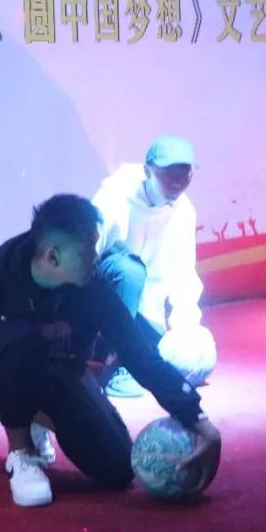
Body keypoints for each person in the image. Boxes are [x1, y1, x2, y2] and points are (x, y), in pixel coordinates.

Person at [0, 194, 221, 507]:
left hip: (62, 368)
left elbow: (138, 352)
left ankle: (37, 414)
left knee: (117, 469)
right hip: (0, 364)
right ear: (53, 257)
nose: (95, 257)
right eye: (87, 250)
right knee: (25, 338)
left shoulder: (93, 285)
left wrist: (197, 417)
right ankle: (22, 453)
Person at [90, 135, 215, 398]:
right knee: (130, 271)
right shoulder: (114, 197)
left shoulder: (184, 211)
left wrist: (186, 328)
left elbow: (184, 274)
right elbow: (86, 254)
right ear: (148, 171)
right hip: (106, 297)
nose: (178, 183)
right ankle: (116, 364)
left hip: (144, 311)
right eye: (170, 175)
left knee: (195, 356)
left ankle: (133, 355)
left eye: (185, 175)